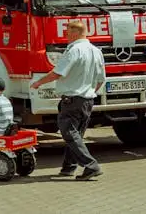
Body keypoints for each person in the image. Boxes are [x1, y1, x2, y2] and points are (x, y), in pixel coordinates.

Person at [31, 19, 105, 180]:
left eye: (67, 33)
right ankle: (69, 167)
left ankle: (91, 166)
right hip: (87, 100)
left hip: (72, 100)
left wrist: (38, 82)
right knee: (76, 135)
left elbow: (57, 73)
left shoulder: (74, 51)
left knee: (69, 133)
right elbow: (100, 79)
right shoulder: (96, 51)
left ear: (75, 33)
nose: (66, 36)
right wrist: (89, 91)